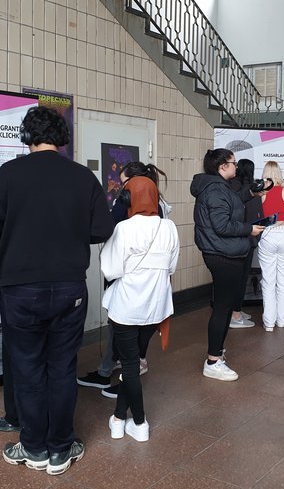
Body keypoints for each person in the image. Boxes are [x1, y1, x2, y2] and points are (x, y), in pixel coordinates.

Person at [0, 106, 115, 476]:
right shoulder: (83, 177)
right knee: (62, 367)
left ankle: (33, 447)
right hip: (69, 287)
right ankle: (61, 448)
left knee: (27, 368)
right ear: (62, 138)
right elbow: (101, 230)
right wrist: (71, 234)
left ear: (28, 137)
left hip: (20, 288)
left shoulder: (9, 174)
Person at [77, 161, 169, 395]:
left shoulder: (126, 217)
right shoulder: (162, 213)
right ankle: (124, 368)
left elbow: (111, 267)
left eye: (124, 182)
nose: (121, 188)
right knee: (138, 327)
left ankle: (115, 374)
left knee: (121, 327)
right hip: (154, 285)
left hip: (127, 281)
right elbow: (171, 264)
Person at [100, 176, 179, 442]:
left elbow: (110, 270)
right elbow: (171, 268)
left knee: (130, 365)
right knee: (133, 365)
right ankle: (119, 418)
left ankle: (141, 423)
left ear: (127, 199)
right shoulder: (169, 227)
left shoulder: (123, 228)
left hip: (126, 308)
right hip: (155, 308)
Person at [191, 149, 264, 381]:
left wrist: (251, 192)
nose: (236, 167)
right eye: (232, 163)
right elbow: (222, 225)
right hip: (222, 254)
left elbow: (231, 201)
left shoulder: (219, 187)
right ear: (222, 167)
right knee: (222, 307)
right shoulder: (214, 190)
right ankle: (213, 360)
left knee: (224, 306)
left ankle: (217, 352)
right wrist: (249, 229)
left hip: (225, 252)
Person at [258, 161, 284, 331]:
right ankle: (281, 320)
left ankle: (269, 323)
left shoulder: (261, 195)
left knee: (268, 280)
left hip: (268, 234)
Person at [228, 158, 263, 329]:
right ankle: (235, 314)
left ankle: (236, 311)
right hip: (247, 237)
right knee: (240, 279)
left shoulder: (232, 186)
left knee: (236, 278)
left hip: (237, 238)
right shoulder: (250, 189)